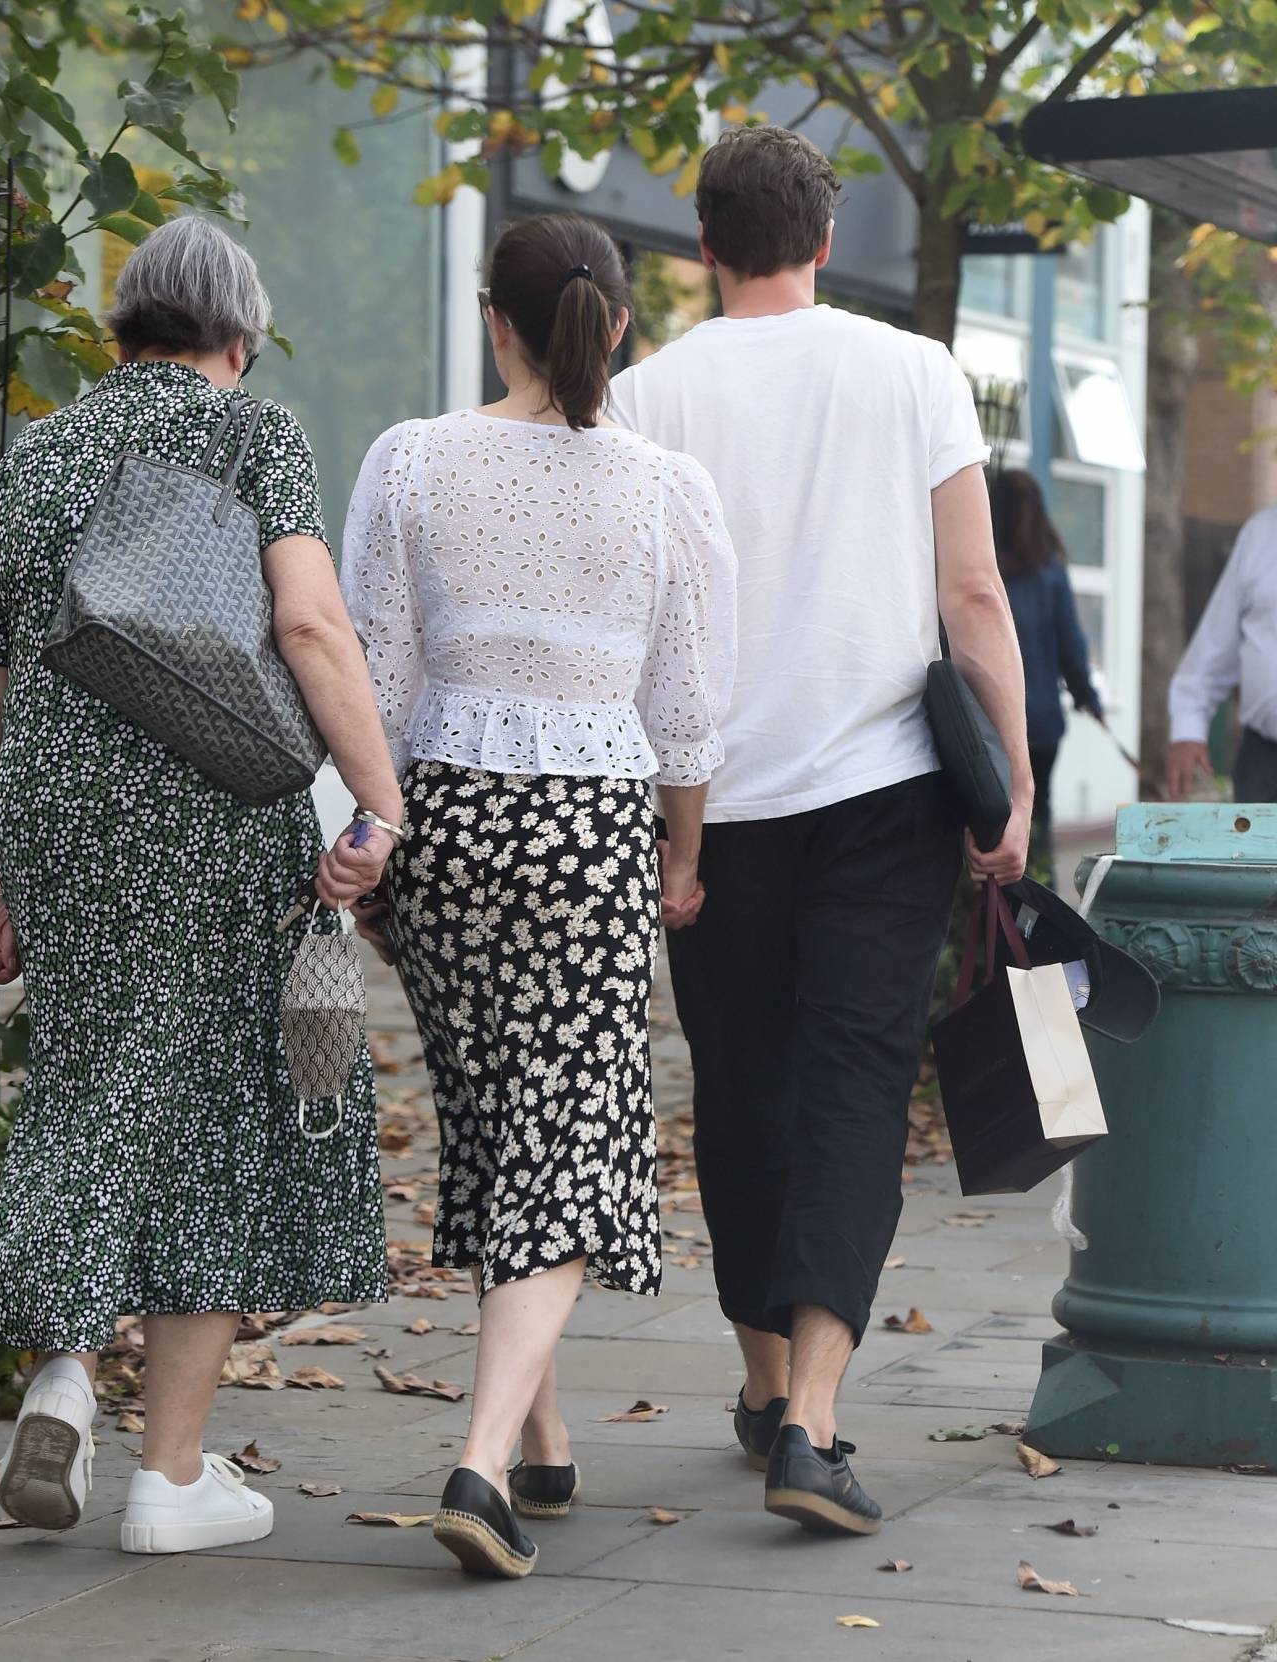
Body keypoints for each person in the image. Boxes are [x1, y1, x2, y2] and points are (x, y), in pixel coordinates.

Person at [0, 216, 402, 1556]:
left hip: (59, 805)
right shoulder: (252, 433)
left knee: (91, 1077)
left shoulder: (38, 457)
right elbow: (311, 623)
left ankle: (65, 1369)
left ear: (123, 325)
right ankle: (172, 1475)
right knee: (213, 1104)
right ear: (239, 333)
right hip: (215, 804)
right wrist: (379, 800)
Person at [609, 126, 1031, 1537]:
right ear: (827, 240)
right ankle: (814, 1421)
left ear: (706, 246)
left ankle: (763, 1374)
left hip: (710, 806)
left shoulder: (646, 394)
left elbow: (641, 612)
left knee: (740, 1085)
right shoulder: (915, 371)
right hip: (887, 795)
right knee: (854, 1086)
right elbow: (974, 596)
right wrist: (1013, 783)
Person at [341, 211, 736, 1579]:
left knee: (500, 1119)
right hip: (588, 824)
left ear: (493, 320)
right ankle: (482, 1458)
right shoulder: (662, 485)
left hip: (445, 817)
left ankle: (547, 1437)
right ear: (615, 323)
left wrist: (373, 836)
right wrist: (683, 855)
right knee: (567, 1135)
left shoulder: (411, 459)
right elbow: (685, 708)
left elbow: (374, 678)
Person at [990, 468, 1103, 861]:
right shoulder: (1050, 571)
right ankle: (1039, 907)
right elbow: (1070, 645)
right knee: (1036, 818)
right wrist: (1087, 697)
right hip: (1042, 723)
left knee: (991, 822)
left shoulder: (985, 572)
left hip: (990, 723)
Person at [1167, 504, 1277, 802]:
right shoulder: (1261, 534)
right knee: (1252, 850)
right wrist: (1187, 729)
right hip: (1266, 763)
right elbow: (1216, 642)